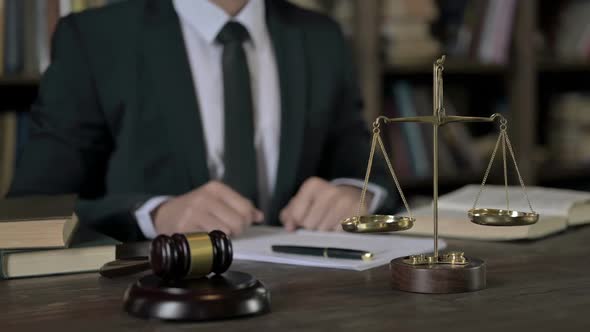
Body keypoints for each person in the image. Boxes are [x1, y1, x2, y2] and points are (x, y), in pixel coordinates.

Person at [9, 0, 395, 241]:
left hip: (305, 298)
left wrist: (352, 195)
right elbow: (34, 206)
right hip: (147, 299)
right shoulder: (96, 38)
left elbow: (369, 172)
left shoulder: (320, 37)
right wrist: (155, 215)